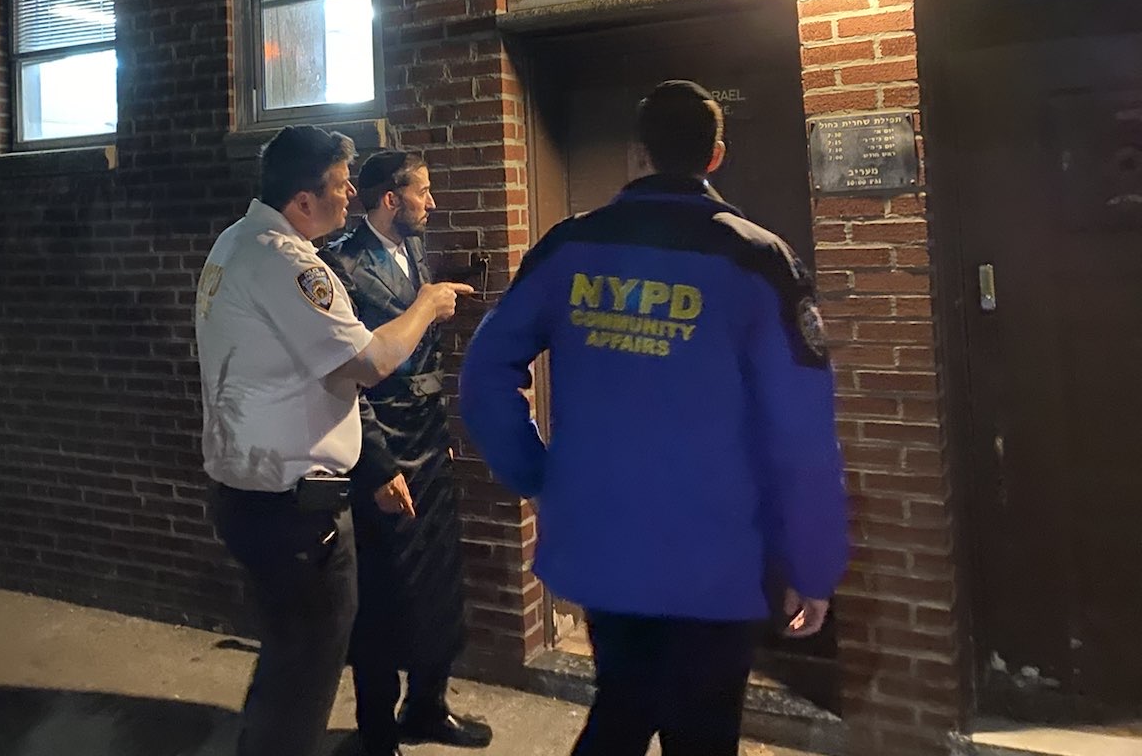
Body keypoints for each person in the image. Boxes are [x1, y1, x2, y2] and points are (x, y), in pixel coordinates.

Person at [459, 81, 849, 756]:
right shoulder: (757, 261)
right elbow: (803, 432)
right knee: (701, 730)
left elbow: (483, 373)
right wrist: (814, 565)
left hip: (605, 544)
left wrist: (538, 475)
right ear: (715, 156)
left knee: (624, 703)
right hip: (718, 558)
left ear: (637, 154)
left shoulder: (570, 247)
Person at [196, 125, 473, 756]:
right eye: (342, 186)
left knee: (289, 662)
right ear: (303, 199)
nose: (351, 195)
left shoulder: (236, 242)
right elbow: (370, 362)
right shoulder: (292, 264)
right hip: (297, 508)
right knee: (308, 669)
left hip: (259, 494)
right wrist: (427, 304)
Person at [321, 151, 493, 756]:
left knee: (438, 582)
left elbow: (427, 356)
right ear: (391, 198)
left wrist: (439, 429)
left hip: (427, 438)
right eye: (423, 191)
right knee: (383, 592)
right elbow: (347, 379)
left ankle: (427, 705)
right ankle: (376, 731)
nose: (432, 202)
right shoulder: (340, 265)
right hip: (383, 444)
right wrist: (378, 464)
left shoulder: (413, 249)